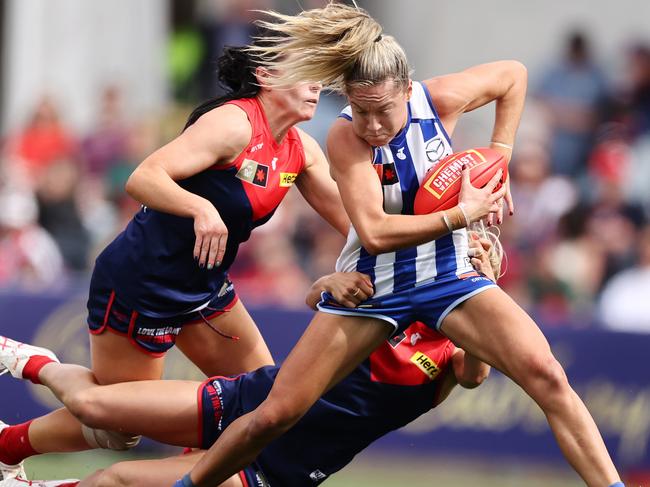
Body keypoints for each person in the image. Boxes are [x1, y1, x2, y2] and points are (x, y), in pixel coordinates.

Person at [173, 4, 623, 487]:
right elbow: (374, 233)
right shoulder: (347, 139)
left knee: (549, 377)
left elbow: (513, 75)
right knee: (275, 415)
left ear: (408, 91)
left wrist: (501, 155)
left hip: (447, 277)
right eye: (359, 110)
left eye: (382, 111)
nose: (371, 125)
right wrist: (462, 214)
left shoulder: (440, 100)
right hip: (376, 286)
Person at [0, 40, 352, 479]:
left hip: (205, 289)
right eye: (305, 72)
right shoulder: (233, 123)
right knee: (120, 426)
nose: (316, 85)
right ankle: (20, 398)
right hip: (141, 285)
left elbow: (356, 224)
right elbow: (144, 177)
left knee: (267, 404)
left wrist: (443, 232)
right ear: (265, 77)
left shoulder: (301, 149)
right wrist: (201, 208)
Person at [0, 237, 496, 487]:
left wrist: (481, 290)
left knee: (115, 480)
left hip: (276, 467)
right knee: (94, 406)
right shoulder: (392, 295)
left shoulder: (456, 352)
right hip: (247, 401)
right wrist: (327, 284)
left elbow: (475, 375)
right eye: (464, 257)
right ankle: (24, 376)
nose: (468, 262)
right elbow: (316, 299)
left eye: (478, 263)